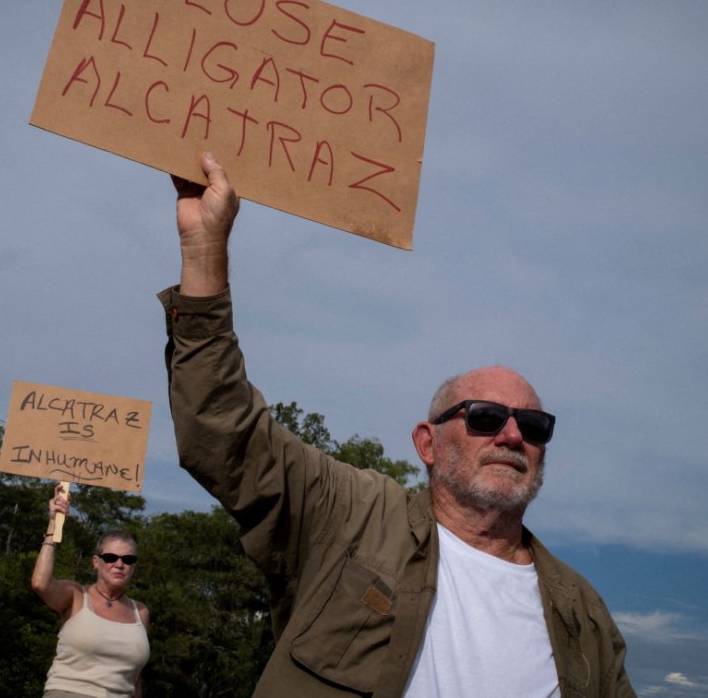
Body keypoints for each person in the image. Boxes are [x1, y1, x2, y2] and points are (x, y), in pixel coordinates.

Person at [158, 152, 635, 697]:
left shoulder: (585, 614)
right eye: (484, 418)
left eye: (533, 424)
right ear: (426, 443)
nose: (511, 436)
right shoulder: (349, 515)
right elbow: (224, 432)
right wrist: (203, 250)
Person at [31, 484, 150, 698]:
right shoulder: (76, 596)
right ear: (96, 562)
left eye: (128, 559)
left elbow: (136, 680)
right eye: (111, 557)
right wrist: (53, 523)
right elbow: (40, 583)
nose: (119, 564)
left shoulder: (140, 612)